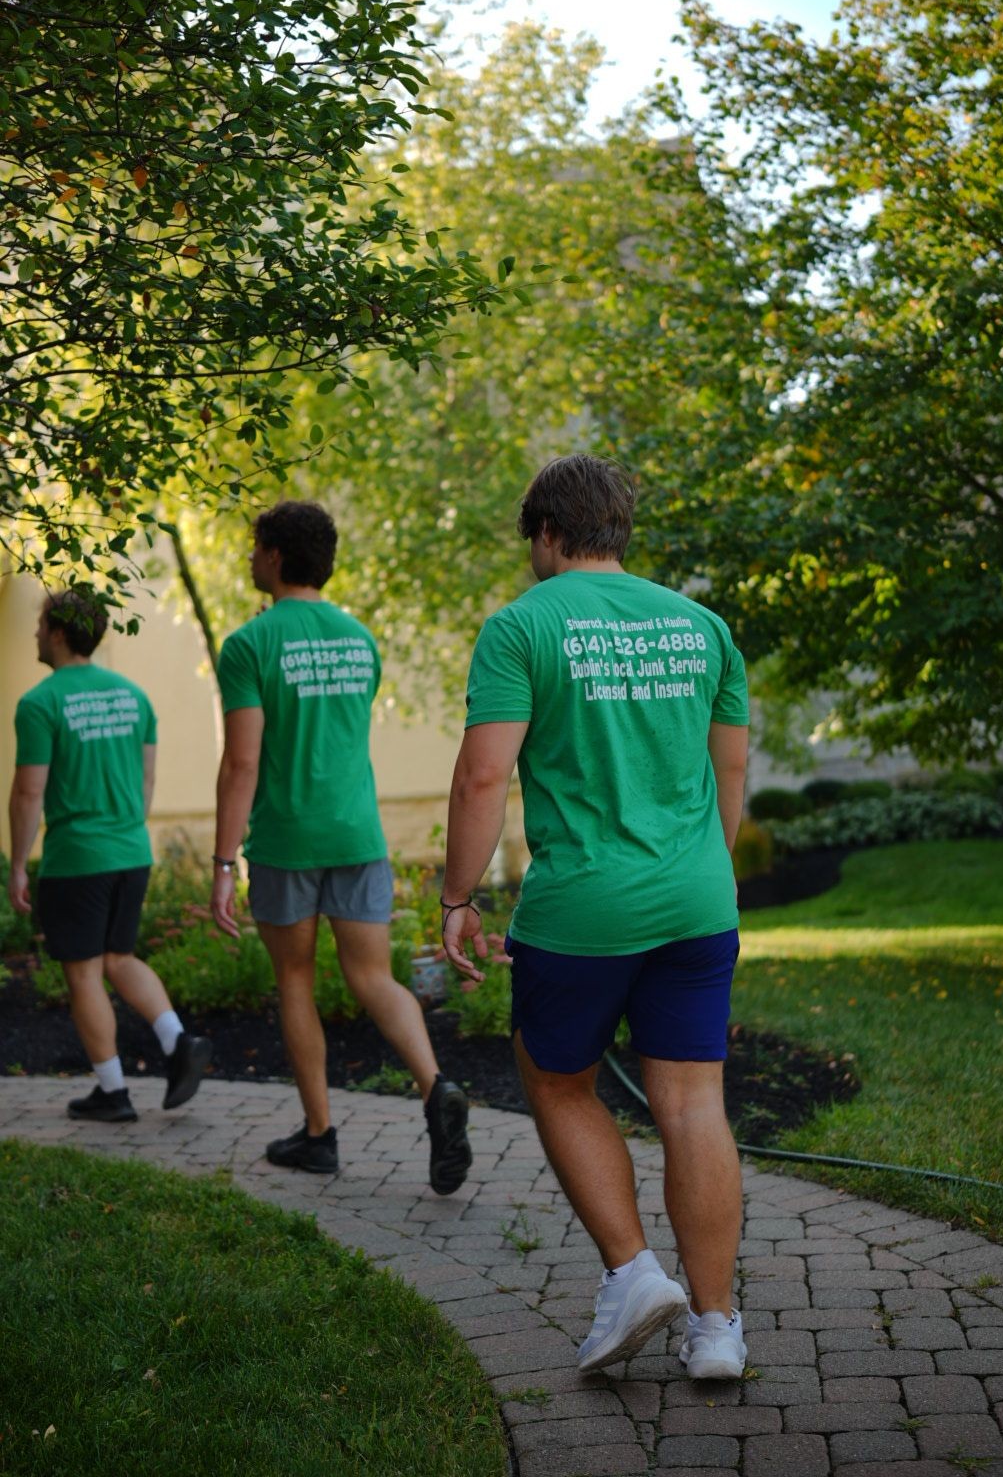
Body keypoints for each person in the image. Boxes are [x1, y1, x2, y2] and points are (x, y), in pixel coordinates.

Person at [442, 453, 750, 1377]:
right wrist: (707, 872)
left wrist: (457, 897)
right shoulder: (703, 627)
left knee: (555, 1076)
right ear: (620, 527)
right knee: (695, 1103)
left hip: (582, 910)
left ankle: (632, 1273)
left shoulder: (520, 626)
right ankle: (719, 1330)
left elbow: (484, 773)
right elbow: (728, 770)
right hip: (698, 900)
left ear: (545, 533)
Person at [211, 499, 471, 1190]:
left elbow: (241, 763)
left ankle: (321, 1135)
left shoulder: (249, 645)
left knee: (295, 979)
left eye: (253, 546)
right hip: (359, 834)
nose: (248, 558)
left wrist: (220, 861)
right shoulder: (360, 640)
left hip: (286, 842)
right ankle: (436, 1085)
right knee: (373, 978)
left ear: (274, 555)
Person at [8, 591, 212, 1121]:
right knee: (119, 958)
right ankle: (177, 1040)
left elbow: (29, 792)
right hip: (130, 850)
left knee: (83, 972)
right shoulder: (134, 697)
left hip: (78, 857)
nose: (34, 635)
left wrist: (17, 864)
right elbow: (146, 781)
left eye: (39, 626)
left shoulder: (40, 703)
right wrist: (126, 828)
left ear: (56, 632)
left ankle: (114, 1092)